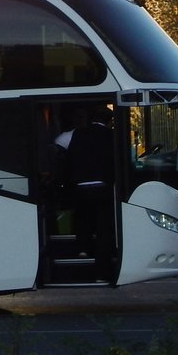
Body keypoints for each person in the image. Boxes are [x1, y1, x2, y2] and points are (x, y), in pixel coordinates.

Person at [63, 105, 116, 271]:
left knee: (83, 218)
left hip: (80, 185)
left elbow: (70, 158)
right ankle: (103, 259)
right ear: (109, 121)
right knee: (103, 224)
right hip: (101, 185)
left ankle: (83, 248)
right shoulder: (110, 135)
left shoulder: (78, 133)